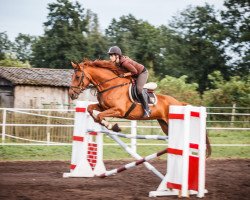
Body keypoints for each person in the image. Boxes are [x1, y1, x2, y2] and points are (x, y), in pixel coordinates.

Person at [107, 46, 151, 117]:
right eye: (110, 55)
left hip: (142, 73)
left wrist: (124, 75)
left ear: (117, 55)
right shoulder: (117, 62)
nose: (110, 57)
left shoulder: (125, 63)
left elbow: (135, 71)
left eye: (111, 55)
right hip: (134, 73)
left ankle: (147, 109)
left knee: (138, 89)